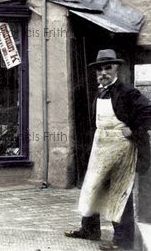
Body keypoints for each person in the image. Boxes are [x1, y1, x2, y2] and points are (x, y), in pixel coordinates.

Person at [64, 49, 151, 250]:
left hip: (121, 150)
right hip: (101, 147)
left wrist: (133, 129)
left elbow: (148, 111)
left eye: (108, 68)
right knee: (92, 187)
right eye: (99, 70)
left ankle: (123, 241)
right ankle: (90, 230)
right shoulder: (99, 92)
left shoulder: (128, 92)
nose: (103, 72)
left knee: (118, 193)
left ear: (116, 69)